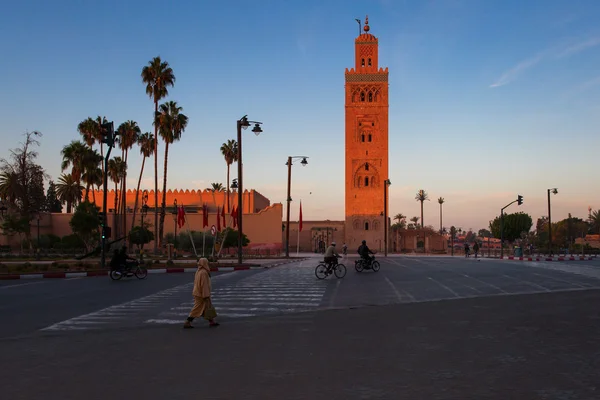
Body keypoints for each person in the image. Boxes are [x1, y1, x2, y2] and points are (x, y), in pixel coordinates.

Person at [184, 258, 219, 329]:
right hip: (201, 293)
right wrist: (205, 295)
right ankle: (188, 322)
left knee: (207, 307)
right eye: (207, 262)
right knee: (197, 308)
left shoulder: (199, 271)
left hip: (198, 292)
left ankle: (211, 321)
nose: (208, 264)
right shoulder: (203, 272)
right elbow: (204, 284)